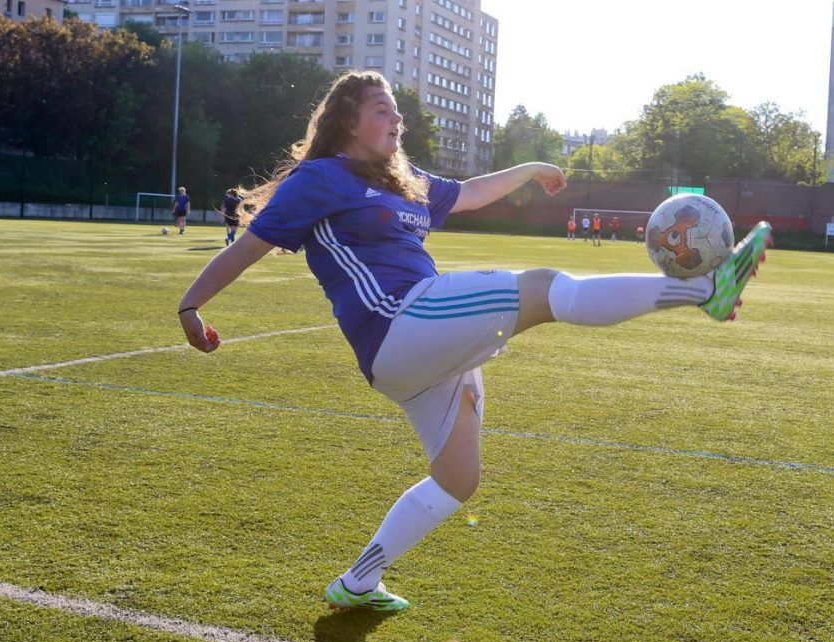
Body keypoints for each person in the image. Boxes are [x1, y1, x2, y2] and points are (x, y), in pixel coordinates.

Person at [176, 70, 771, 612]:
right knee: (542, 288)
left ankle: (357, 582)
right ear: (348, 123)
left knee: (457, 479)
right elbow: (248, 247)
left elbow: (469, 192)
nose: (397, 120)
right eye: (384, 110)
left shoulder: (401, 182)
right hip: (400, 321)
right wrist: (191, 304)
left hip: (417, 349)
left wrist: (534, 168)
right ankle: (705, 292)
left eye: (397, 113)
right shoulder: (322, 178)